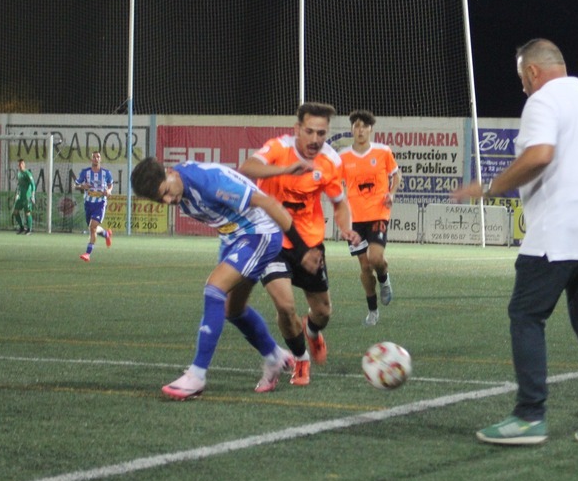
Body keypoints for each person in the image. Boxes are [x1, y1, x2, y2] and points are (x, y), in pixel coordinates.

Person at [452, 38, 578, 446]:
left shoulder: (543, 101)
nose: (522, 87)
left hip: (559, 230)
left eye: (522, 78)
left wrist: (492, 187)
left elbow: (539, 155)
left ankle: (530, 416)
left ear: (533, 71)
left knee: (526, 314)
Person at [130, 156, 320, 399]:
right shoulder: (177, 185)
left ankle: (197, 375)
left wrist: (302, 250)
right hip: (234, 236)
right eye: (160, 200)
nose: (168, 201)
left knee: (214, 289)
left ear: (170, 172)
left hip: (259, 232)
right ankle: (274, 356)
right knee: (232, 309)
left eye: (166, 192)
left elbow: (268, 204)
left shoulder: (208, 182)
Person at [238, 102, 361, 387]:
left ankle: (313, 332)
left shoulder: (330, 161)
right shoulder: (277, 148)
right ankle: (300, 358)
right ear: (297, 129)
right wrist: (285, 169)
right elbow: (247, 168)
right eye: (310, 132)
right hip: (272, 239)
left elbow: (340, 204)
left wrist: (346, 229)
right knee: (285, 306)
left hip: (310, 246)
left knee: (323, 311)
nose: (316, 139)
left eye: (321, 133)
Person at [339, 109, 400, 326]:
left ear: (371, 129)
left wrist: (391, 193)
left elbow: (396, 174)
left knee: (376, 259)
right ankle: (372, 311)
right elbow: (335, 182)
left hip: (378, 212)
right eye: (356, 126)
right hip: (354, 218)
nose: (360, 129)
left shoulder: (383, 152)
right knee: (364, 267)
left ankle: (384, 280)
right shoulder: (344, 157)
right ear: (352, 130)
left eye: (364, 125)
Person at [74, 151, 114, 261]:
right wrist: (83, 186)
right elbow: (75, 185)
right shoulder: (85, 172)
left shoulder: (106, 173)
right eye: (94, 157)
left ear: (100, 159)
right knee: (92, 228)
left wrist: (108, 190)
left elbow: (110, 184)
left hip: (100, 204)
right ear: (91, 159)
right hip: (88, 203)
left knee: (92, 228)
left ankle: (87, 253)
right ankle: (106, 234)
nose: (96, 158)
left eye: (98, 157)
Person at [13, 159, 36, 235]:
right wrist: (17, 194)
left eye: (21, 164)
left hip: (27, 197)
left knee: (27, 213)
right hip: (20, 197)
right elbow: (19, 185)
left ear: (24, 164)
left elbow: (33, 184)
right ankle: (22, 227)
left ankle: (29, 230)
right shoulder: (19, 174)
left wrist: (32, 195)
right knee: (15, 212)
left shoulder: (27, 173)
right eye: (19, 164)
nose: (20, 166)